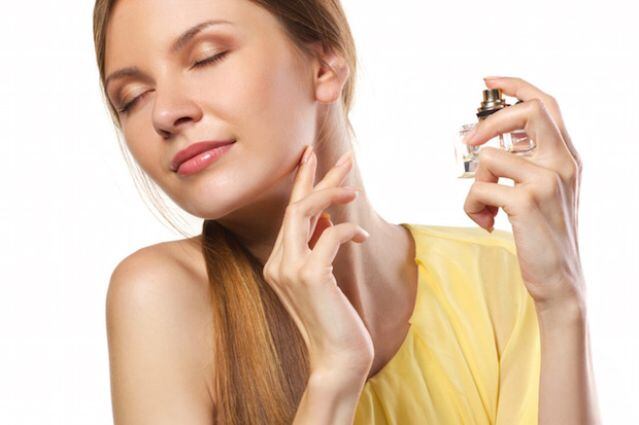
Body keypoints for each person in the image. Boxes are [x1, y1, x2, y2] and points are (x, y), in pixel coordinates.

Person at [93, 0, 601, 424]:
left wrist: (562, 300)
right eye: (132, 98)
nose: (165, 113)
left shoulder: (500, 273)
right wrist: (335, 373)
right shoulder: (162, 296)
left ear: (325, 65)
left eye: (207, 57)